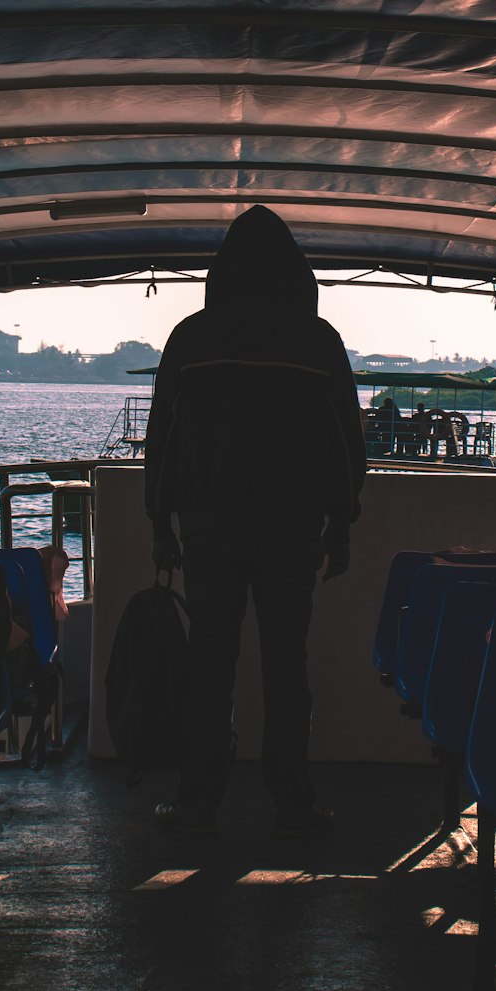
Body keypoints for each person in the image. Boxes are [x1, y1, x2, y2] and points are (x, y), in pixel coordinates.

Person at [144, 205, 366, 837]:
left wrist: (162, 524)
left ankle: (197, 796)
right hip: (292, 533)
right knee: (286, 667)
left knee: (210, 665)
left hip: (210, 530)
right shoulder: (316, 341)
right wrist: (341, 525)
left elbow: (162, 442)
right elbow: (347, 445)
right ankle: (293, 799)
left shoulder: (192, 339)